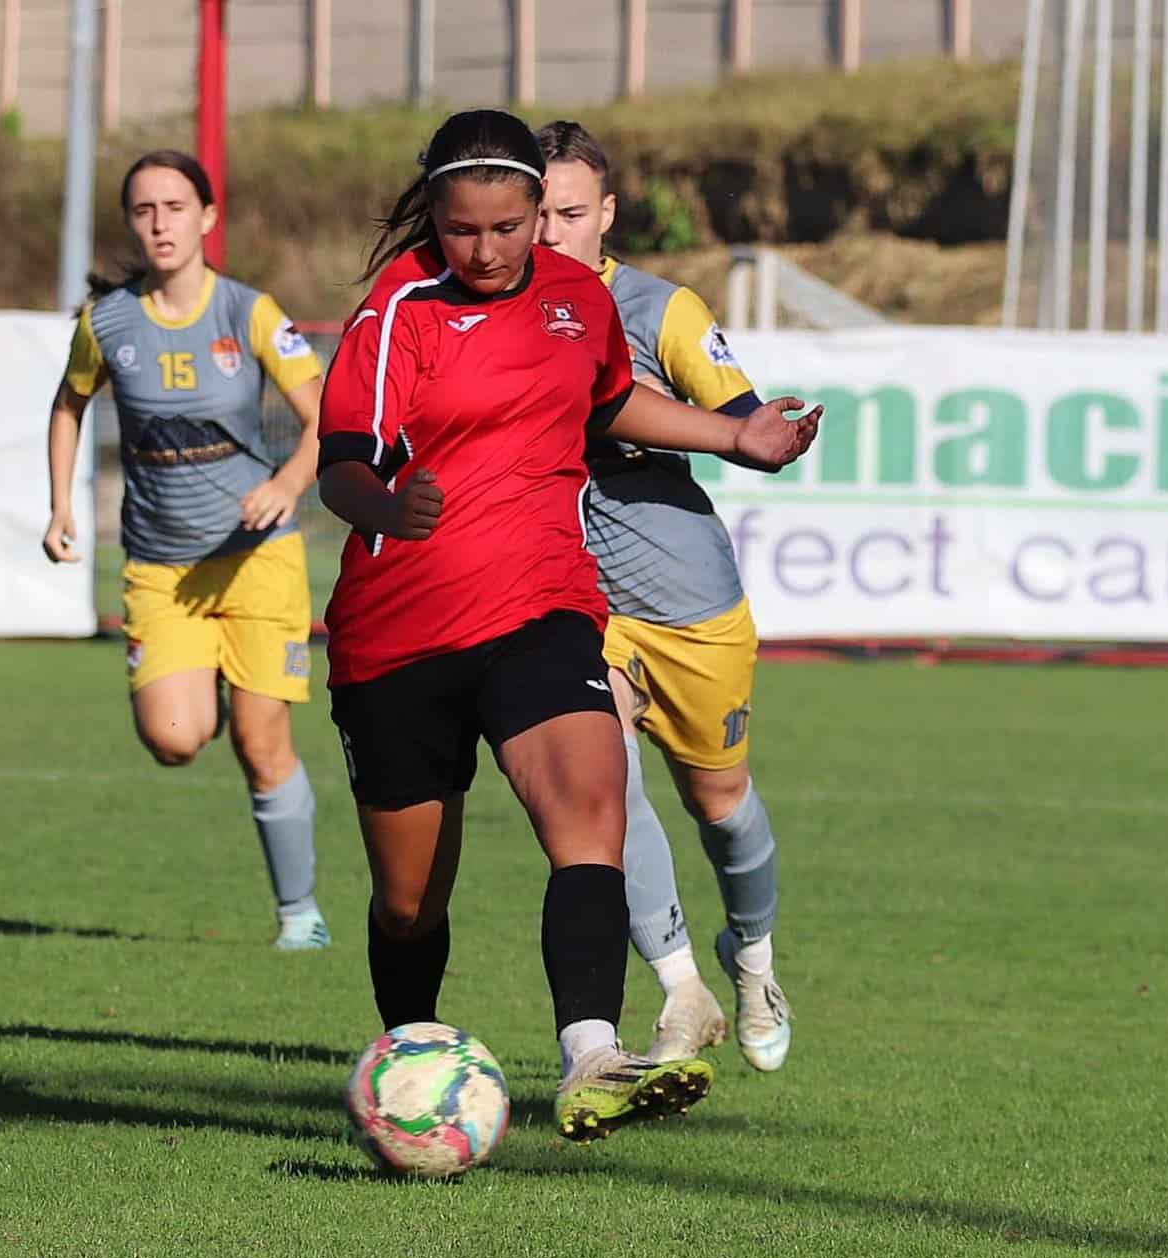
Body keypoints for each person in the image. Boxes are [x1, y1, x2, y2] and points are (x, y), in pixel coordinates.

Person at [317, 108, 819, 1141]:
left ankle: (593, 1053)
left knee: (591, 810)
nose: (493, 250)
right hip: (400, 633)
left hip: (542, 604)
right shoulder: (398, 310)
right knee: (409, 904)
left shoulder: (577, 299)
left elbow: (605, 404)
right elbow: (345, 464)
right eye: (467, 230)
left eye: (513, 227)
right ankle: (415, 1060)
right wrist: (385, 508)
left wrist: (735, 436)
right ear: (436, 217)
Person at [535, 120, 792, 1073]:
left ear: (605, 215)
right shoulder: (506, 310)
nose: (552, 231)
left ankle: (751, 957)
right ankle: (681, 988)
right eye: (539, 212)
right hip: (574, 596)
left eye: (571, 213)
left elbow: (741, 416)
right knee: (605, 784)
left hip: (687, 599)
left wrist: (750, 432)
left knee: (722, 806)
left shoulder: (659, 311)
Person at [42, 149, 331, 951]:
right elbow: (68, 408)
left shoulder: (249, 313)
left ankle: (300, 918)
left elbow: (326, 418)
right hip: (162, 569)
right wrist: (60, 505)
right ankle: (200, 685)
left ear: (207, 217)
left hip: (257, 559)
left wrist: (286, 485)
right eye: (144, 210)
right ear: (131, 223)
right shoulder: (109, 322)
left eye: (176, 206)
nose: (160, 223)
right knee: (174, 737)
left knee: (260, 740)